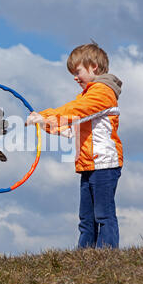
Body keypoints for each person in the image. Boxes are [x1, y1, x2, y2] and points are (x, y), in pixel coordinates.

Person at [25, 41, 123, 249]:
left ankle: (107, 255)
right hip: (87, 164)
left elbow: (76, 110)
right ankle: (84, 257)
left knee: (103, 215)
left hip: (104, 164)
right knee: (86, 218)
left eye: (77, 71)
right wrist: (44, 123)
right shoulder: (87, 96)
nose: (75, 77)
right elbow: (72, 127)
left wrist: (44, 115)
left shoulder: (102, 93)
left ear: (93, 67)